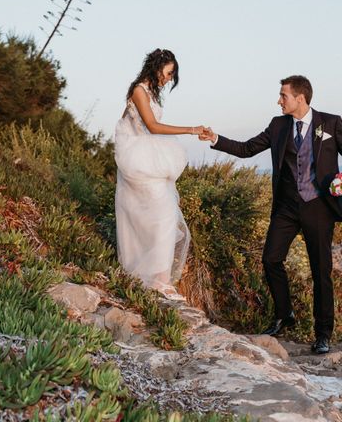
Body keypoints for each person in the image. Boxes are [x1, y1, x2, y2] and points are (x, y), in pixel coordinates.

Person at [201, 75, 342, 354]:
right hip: (287, 208)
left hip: (318, 206)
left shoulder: (331, 123)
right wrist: (215, 138)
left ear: (300, 98)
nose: (279, 100)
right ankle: (284, 314)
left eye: (283, 96)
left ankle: (323, 333)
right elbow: (246, 149)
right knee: (270, 259)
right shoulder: (278, 126)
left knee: (321, 271)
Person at [115, 48, 206, 299]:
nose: (168, 79)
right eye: (168, 73)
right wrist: (190, 129)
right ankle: (156, 278)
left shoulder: (151, 92)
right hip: (137, 157)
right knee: (161, 215)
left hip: (148, 155)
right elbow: (152, 126)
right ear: (156, 68)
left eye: (171, 75)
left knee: (163, 215)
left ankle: (159, 278)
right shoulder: (139, 90)